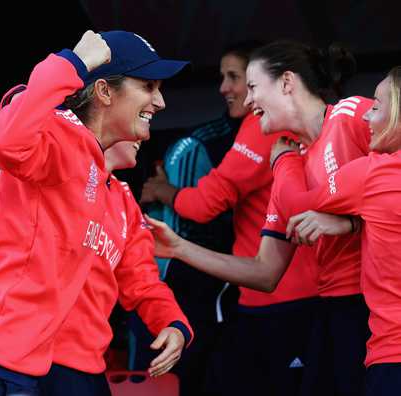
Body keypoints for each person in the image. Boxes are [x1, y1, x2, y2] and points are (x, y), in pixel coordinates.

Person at [0, 30, 189, 395]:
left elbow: (140, 280)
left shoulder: (107, 180)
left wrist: (172, 321)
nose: (159, 101)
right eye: (147, 86)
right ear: (105, 92)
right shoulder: (57, 131)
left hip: (25, 368)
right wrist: (73, 62)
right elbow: (3, 143)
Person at [147, 40, 374, 396]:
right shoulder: (290, 164)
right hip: (332, 311)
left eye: (252, 86)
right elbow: (265, 272)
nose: (247, 100)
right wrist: (177, 248)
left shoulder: (352, 115)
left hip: (376, 308)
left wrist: (351, 223)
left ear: (286, 83)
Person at [0, 138, 193, 396]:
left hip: (82, 367)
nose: (144, 136)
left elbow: (143, 282)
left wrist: (173, 323)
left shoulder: (125, 202)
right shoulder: (49, 171)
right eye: (136, 120)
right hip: (17, 358)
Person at [270, 66, 401, 396]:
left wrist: (284, 160)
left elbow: (295, 206)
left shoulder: (374, 173)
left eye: (376, 106)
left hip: (392, 352)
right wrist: (354, 221)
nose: (367, 117)